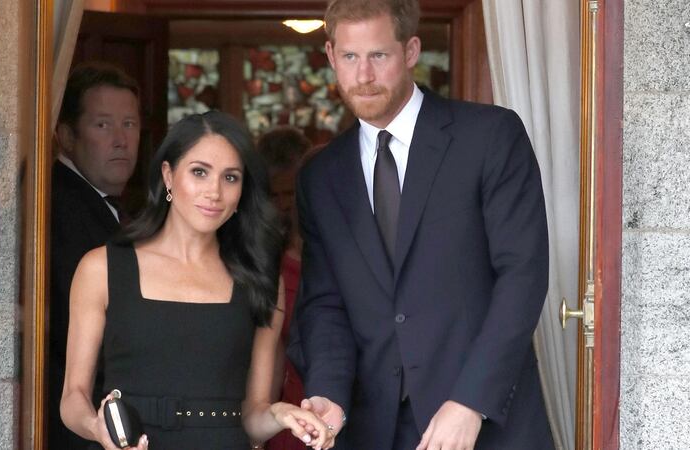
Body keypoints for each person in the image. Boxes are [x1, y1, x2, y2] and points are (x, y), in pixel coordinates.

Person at [290, 0, 554, 449]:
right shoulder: (322, 176)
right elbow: (325, 304)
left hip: (487, 426)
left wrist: (471, 402)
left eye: (379, 55)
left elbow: (523, 276)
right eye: (350, 57)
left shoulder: (490, 137)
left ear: (411, 51)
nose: (364, 75)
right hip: (374, 432)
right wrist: (328, 394)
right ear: (332, 56)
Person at [60, 111, 337, 450]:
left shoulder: (260, 278)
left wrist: (282, 415)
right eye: (199, 172)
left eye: (231, 178)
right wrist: (96, 427)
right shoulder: (101, 268)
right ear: (168, 176)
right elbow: (73, 398)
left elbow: (253, 416)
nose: (214, 192)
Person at [50, 62, 142, 448]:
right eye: (103, 125)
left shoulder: (108, 206)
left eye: (130, 124)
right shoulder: (58, 205)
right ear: (67, 135)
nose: (121, 140)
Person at [256, 127, 312, 450]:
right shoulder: (261, 261)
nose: (283, 206)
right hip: (278, 412)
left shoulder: (333, 251)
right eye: (273, 196)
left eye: (290, 194)